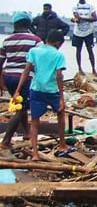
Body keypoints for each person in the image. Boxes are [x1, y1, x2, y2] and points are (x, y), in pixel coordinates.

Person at [12, 30, 68, 161]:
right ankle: (62, 144)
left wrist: (17, 90)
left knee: (35, 121)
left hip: (36, 89)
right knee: (60, 115)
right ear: (58, 43)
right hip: (52, 90)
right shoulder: (58, 55)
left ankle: (35, 153)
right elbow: (59, 75)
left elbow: (26, 71)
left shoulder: (34, 51)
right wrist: (61, 97)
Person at [0, 12, 42, 150]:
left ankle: (27, 133)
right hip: (24, 78)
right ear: (28, 24)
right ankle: (6, 140)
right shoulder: (36, 40)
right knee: (21, 108)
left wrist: (1, 81)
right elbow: (40, 61)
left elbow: (1, 62)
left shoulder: (7, 40)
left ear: (15, 25)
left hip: (8, 76)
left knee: (20, 104)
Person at [71, 0, 97, 75]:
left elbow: (95, 18)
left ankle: (93, 69)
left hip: (88, 32)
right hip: (78, 32)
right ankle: (80, 68)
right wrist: (76, 19)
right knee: (78, 50)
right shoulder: (75, 7)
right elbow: (77, 18)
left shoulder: (90, 7)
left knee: (90, 50)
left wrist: (81, 18)